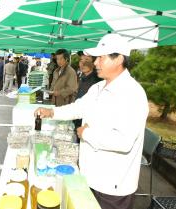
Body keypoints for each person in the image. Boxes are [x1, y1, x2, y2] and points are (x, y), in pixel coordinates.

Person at [35, 34, 149, 209]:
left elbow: (124, 141)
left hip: (112, 185)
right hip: (89, 176)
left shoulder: (132, 94)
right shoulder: (98, 87)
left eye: (101, 58)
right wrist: (51, 112)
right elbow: (78, 108)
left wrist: (85, 133)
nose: (95, 63)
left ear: (118, 59)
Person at [73, 52, 101, 143]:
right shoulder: (83, 77)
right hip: (78, 122)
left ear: (94, 63)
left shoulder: (96, 82)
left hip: (86, 127)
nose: (83, 63)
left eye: (87, 60)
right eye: (81, 60)